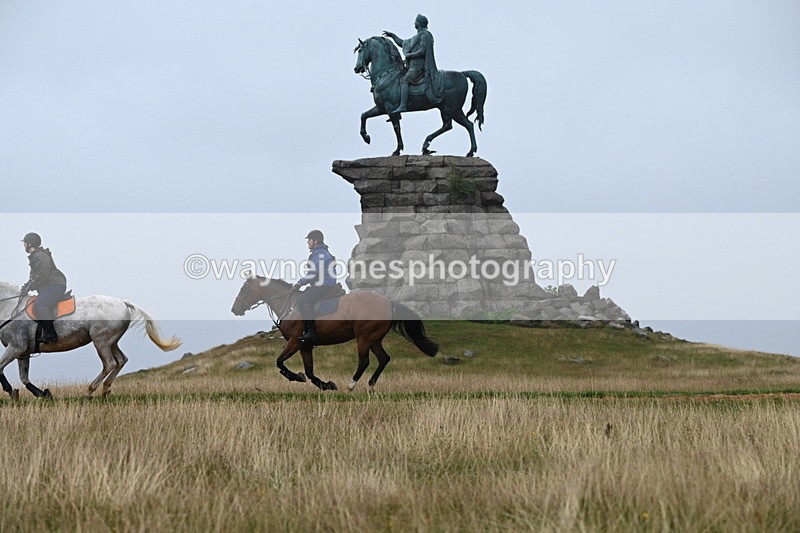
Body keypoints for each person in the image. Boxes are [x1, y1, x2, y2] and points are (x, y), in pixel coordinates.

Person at [383, 14, 444, 114]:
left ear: (420, 23)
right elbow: (402, 43)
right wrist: (393, 36)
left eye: (415, 21)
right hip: (413, 66)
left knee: (405, 80)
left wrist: (410, 55)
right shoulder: (416, 37)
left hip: (419, 67)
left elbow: (422, 51)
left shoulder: (425, 35)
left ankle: (403, 105)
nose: (414, 23)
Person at [19, 232, 68, 344]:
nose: (24, 246)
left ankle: (51, 334)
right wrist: (25, 287)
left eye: (25, 243)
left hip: (55, 285)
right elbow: (33, 276)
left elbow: (42, 275)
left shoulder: (40, 256)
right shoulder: (35, 257)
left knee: (41, 305)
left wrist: (30, 287)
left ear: (29, 244)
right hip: (50, 286)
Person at [292, 230, 337, 344]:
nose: (308, 242)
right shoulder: (320, 252)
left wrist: (299, 283)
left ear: (315, 241)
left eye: (309, 240)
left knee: (305, 301)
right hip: (322, 283)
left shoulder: (319, 253)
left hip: (324, 284)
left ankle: (311, 332)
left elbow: (313, 273)